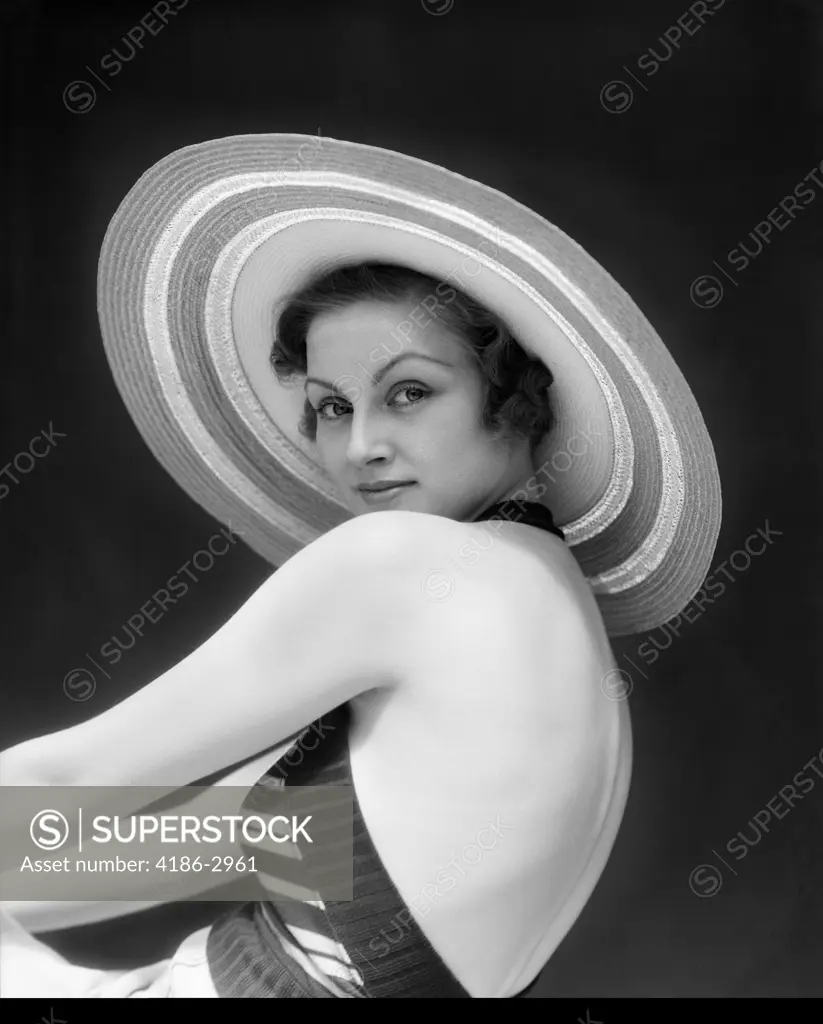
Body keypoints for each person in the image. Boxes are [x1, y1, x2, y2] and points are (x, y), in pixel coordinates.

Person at [0, 133, 721, 998]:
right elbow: (128, 848)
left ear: (519, 396)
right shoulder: (542, 615)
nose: (361, 446)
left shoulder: (405, 568)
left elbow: (64, 787)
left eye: (409, 392)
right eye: (331, 407)